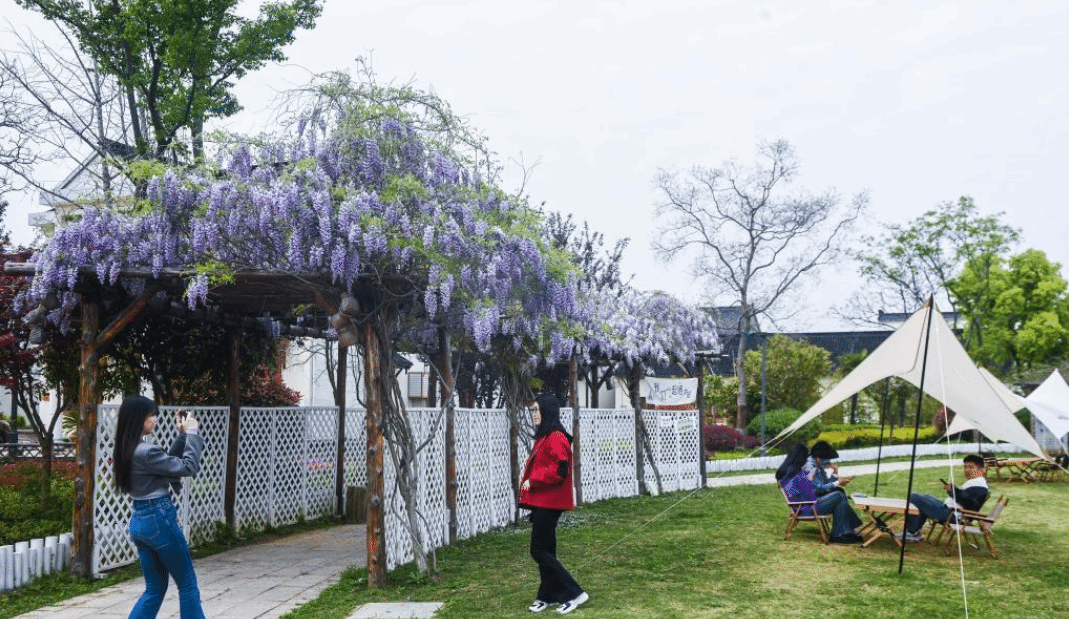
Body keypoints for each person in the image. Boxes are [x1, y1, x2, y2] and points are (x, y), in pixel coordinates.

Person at [112, 395, 206, 619]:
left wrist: (182, 437)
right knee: (187, 583)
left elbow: (165, 464)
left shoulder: (127, 450)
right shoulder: (145, 451)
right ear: (138, 420)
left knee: (154, 588)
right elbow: (187, 467)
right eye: (150, 416)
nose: (154, 420)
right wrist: (192, 433)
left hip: (140, 522)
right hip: (159, 518)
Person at [519, 394, 588, 615]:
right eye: (533, 410)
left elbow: (560, 470)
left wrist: (534, 479)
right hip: (543, 501)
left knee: (538, 551)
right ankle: (547, 596)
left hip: (550, 502)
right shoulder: (546, 436)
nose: (534, 414)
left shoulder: (556, 437)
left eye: (537, 410)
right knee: (547, 551)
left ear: (548, 411)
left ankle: (574, 593)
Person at [900, 454, 989, 542]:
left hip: (952, 515)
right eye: (965, 467)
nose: (967, 470)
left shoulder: (980, 486)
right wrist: (953, 490)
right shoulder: (975, 482)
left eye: (971, 467)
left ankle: (912, 532)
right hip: (949, 510)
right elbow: (964, 497)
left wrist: (952, 490)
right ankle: (914, 532)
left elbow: (968, 502)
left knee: (915, 497)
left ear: (982, 470)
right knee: (926, 497)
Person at [803, 441, 865, 544]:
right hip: (809, 506)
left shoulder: (817, 465)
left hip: (816, 500)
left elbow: (826, 483)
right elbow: (819, 488)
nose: (828, 462)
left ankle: (845, 532)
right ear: (818, 458)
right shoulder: (810, 468)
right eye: (826, 460)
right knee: (839, 495)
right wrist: (837, 483)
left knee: (839, 492)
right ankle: (839, 533)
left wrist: (835, 474)